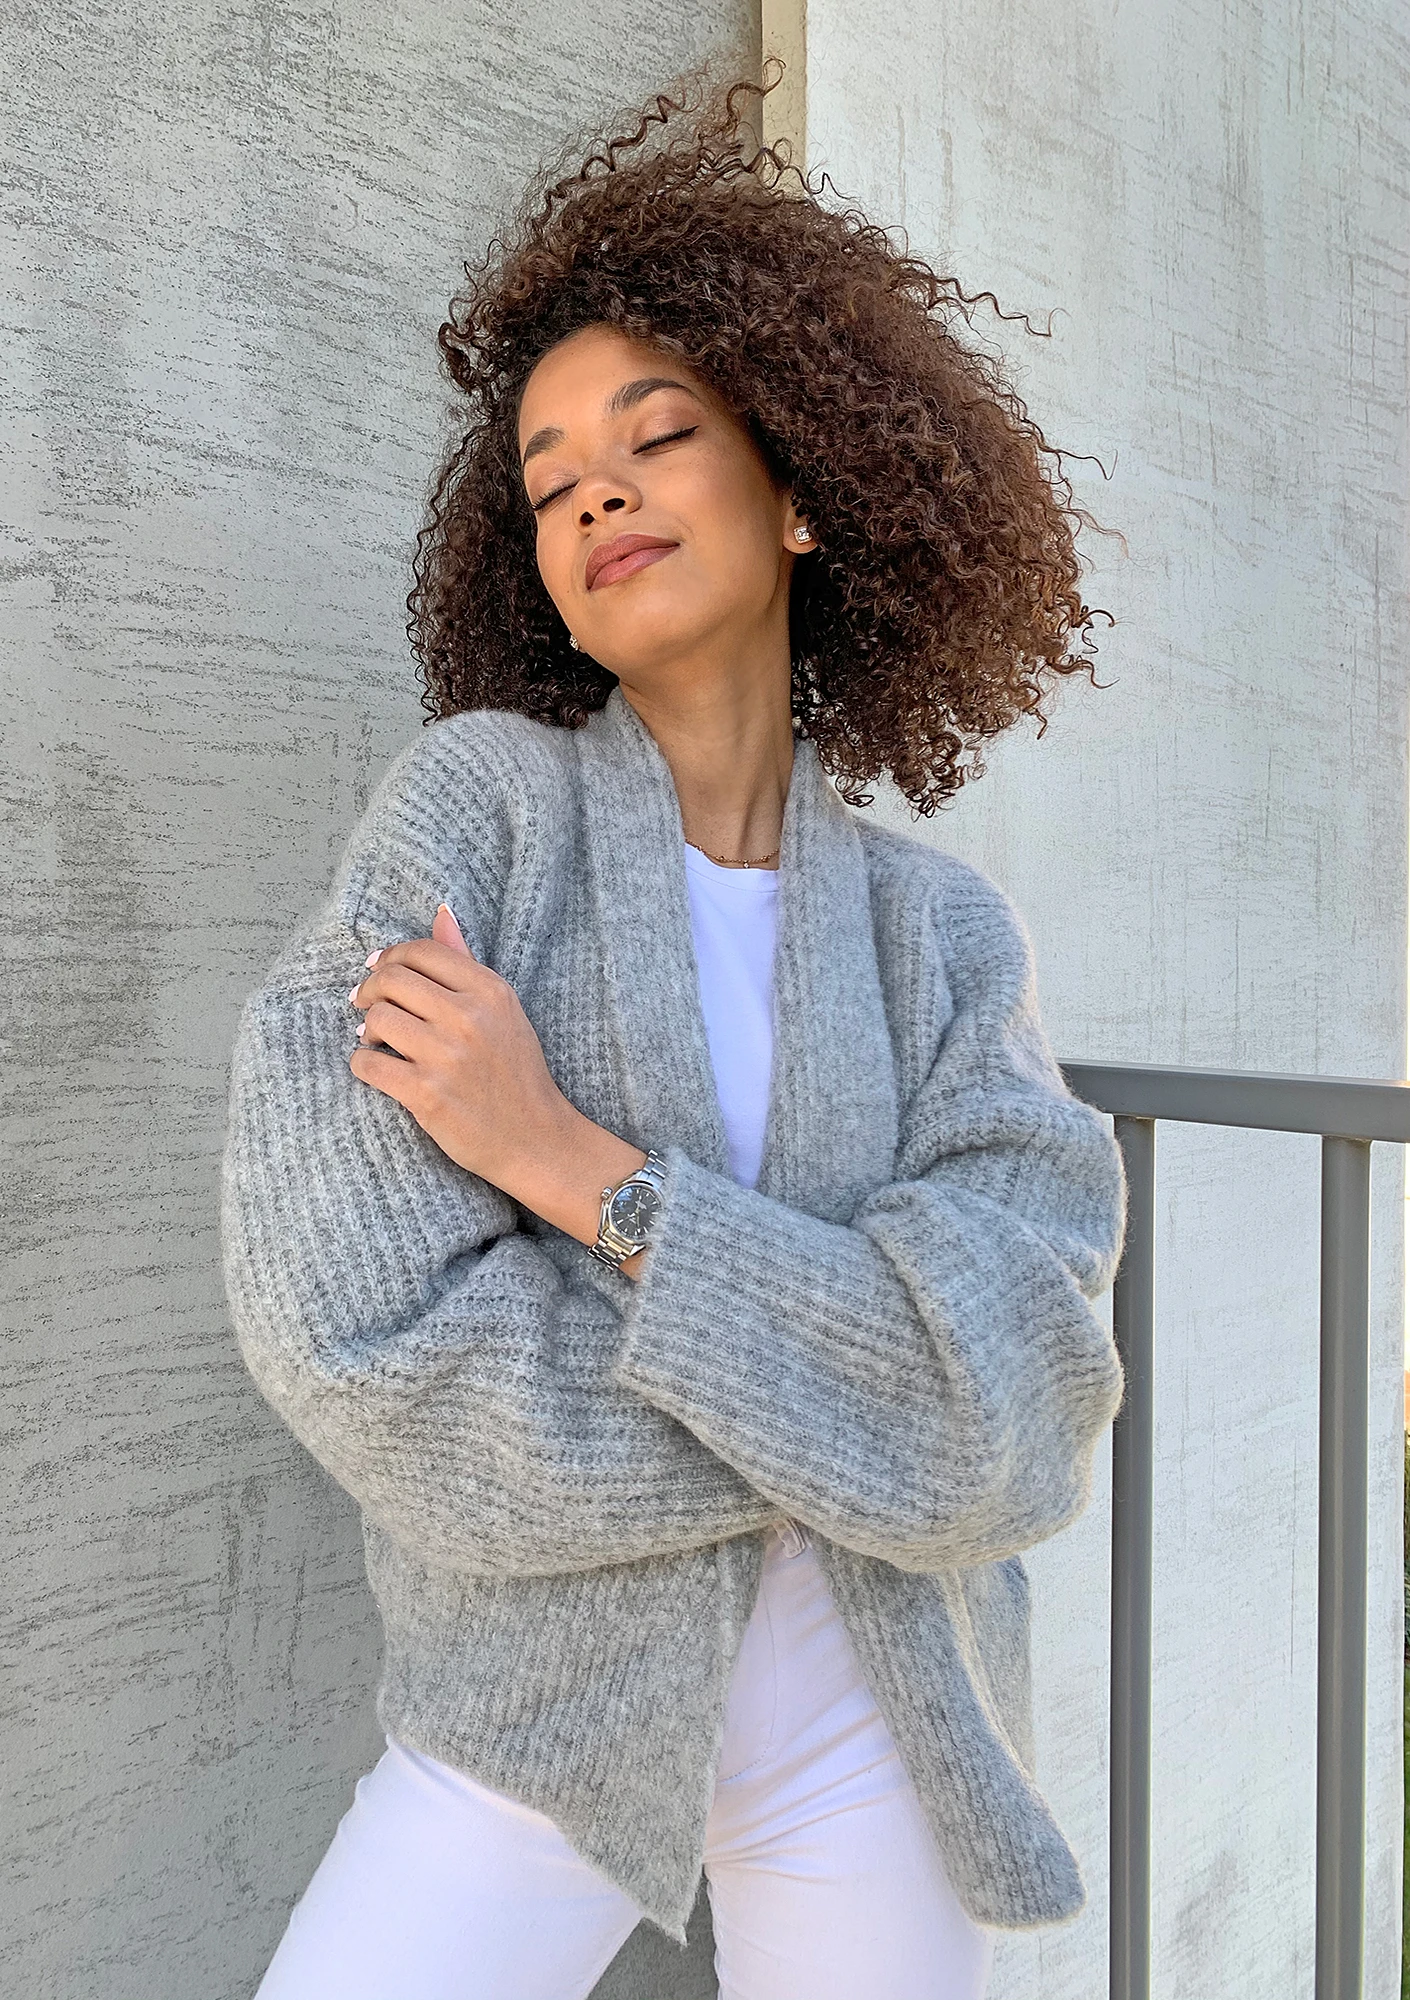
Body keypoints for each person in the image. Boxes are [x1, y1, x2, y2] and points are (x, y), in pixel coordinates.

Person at [221, 70, 1127, 2000]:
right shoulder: (474, 819)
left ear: (797, 492)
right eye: (550, 480)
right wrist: (855, 1411)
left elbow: (1023, 1393)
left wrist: (569, 1166)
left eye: (656, 434)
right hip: (531, 1714)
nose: (596, 493)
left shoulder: (940, 934)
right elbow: (352, 1330)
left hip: (878, 1719)